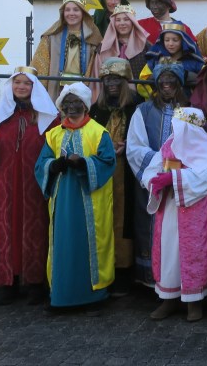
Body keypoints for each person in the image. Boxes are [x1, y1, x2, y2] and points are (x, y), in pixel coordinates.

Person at [0, 66, 58, 306]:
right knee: (6, 229)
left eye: (26, 83)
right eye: (17, 82)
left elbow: (57, 145)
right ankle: (8, 284)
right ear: (11, 85)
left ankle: (34, 284)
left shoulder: (48, 118)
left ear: (34, 87)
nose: (21, 86)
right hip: (6, 185)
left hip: (35, 184)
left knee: (35, 230)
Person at [34, 83, 115, 312]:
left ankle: (94, 295)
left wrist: (84, 163)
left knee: (92, 244)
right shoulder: (53, 134)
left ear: (85, 105)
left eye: (76, 102)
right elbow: (40, 164)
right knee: (63, 245)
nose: (71, 107)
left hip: (91, 201)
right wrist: (54, 165)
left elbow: (109, 162)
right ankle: (62, 294)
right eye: (67, 103)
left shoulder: (98, 132)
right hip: (63, 201)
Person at [142, 107, 207, 322]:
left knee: (193, 252)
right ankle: (169, 298)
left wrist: (173, 179)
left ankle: (194, 301)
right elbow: (153, 167)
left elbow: (204, 179)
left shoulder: (205, 149)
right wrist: (153, 181)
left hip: (193, 212)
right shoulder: (169, 145)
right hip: (169, 209)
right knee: (168, 252)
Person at [126, 63, 190, 287]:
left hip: (182, 184)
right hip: (152, 185)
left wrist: (181, 171)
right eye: (162, 78)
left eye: (172, 78)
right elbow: (134, 148)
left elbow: (199, 145)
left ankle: (179, 281)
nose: (166, 82)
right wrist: (160, 169)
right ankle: (153, 280)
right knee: (150, 227)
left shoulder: (190, 111)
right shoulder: (143, 111)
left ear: (179, 82)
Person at [89, 58, 143, 296]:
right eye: (107, 79)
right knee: (103, 218)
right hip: (103, 172)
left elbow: (144, 136)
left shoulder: (137, 105)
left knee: (125, 219)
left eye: (116, 79)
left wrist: (128, 145)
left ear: (125, 81)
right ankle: (103, 269)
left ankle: (124, 271)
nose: (111, 83)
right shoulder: (96, 109)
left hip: (129, 174)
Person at [30, 0, 103, 99]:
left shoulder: (93, 37)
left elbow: (96, 65)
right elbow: (40, 63)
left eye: (76, 10)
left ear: (83, 13)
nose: (71, 13)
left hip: (83, 87)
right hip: (57, 86)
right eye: (67, 10)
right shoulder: (51, 37)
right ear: (63, 13)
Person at [92, 4, 149, 102]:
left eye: (126, 19)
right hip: (109, 99)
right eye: (118, 20)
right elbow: (97, 76)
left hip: (138, 100)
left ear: (132, 22)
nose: (122, 23)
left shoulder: (146, 47)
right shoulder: (103, 48)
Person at [139, 23, 205, 96]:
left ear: (183, 41)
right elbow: (142, 83)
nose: (170, 44)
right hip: (160, 104)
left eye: (175, 40)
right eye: (167, 40)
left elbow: (206, 81)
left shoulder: (195, 62)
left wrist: (187, 75)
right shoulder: (154, 61)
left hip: (187, 105)